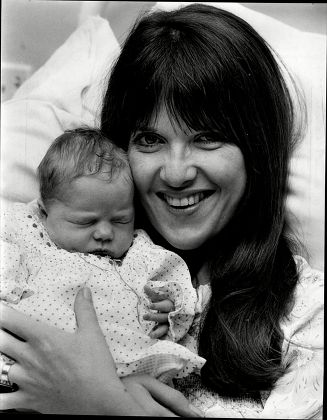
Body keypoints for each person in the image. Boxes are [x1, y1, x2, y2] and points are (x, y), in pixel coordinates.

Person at [0, 3, 323, 418]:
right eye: (150, 139)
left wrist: (103, 403)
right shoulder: (46, 243)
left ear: (257, 150)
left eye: (208, 137)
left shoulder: (306, 317)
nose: (175, 173)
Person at [0, 127, 205, 393]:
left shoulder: (138, 250)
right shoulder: (28, 229)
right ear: (44, 210)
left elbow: (176, 281)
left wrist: (171, 308)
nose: (105, 233)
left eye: (121, 220)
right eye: (85, 222)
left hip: (124, 367)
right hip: (33, 362)